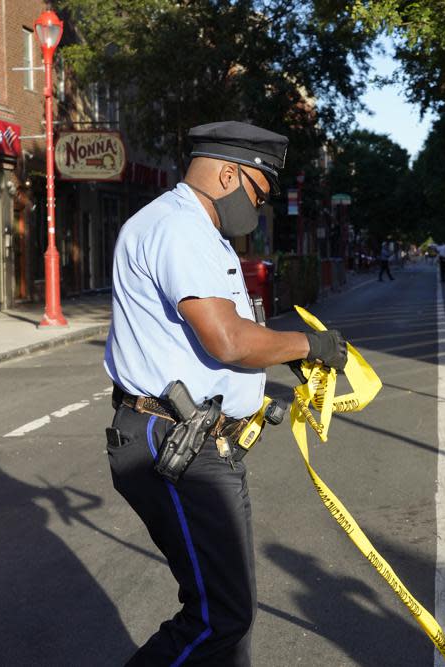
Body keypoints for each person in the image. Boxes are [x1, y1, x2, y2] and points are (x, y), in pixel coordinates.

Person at [103, 121, 348, 666]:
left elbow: (225, 347)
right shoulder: (179, 229)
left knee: (229, 617)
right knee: (219, 615)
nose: (258, 211)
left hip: (203, 442)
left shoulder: (198, 232)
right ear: (229, 173)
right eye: (258, 195)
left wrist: (269, 378)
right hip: (174, 444)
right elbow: (228, 340)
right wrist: (308, 345)